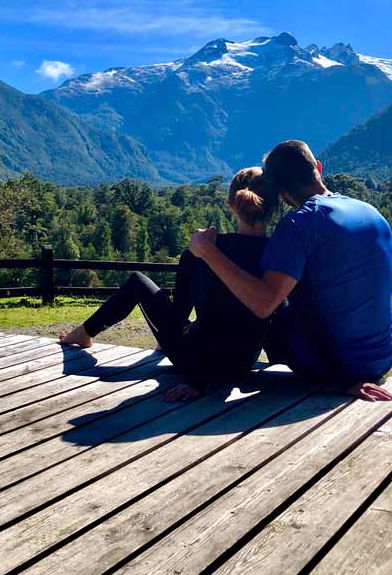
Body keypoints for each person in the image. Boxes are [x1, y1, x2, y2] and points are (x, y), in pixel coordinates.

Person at [187, 140, 392, 402]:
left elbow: (263, 304)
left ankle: (211, 369)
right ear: (317, 168)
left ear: (278, 189)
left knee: (273, 308)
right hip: (382, 358)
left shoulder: (300, 224)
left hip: (336, 367)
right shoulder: (370, 212)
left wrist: (208, 252)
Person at [60, 167, 276, 402]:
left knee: (137, 282)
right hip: (243, 363)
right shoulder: (281, 255)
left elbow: (182, 315)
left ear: (232, 205)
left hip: (199, 363)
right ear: (274, 206)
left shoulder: (206, 248)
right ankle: (100, 335)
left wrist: (195, 381)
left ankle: (83, 333)